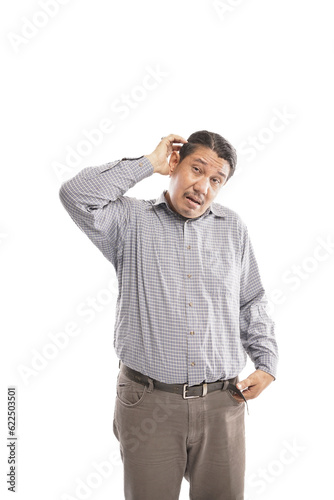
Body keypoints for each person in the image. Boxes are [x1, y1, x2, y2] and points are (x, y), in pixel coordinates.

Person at [59, 131, 278, 500]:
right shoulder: (129, 221)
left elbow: (251, 299)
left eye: (215, 180)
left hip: (223, 402)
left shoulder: (233, 228)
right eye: (196, 169)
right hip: (149, 402)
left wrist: (266, 362)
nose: (202, 186)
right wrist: (148, 163)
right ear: (175, 164)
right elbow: (75, 195)